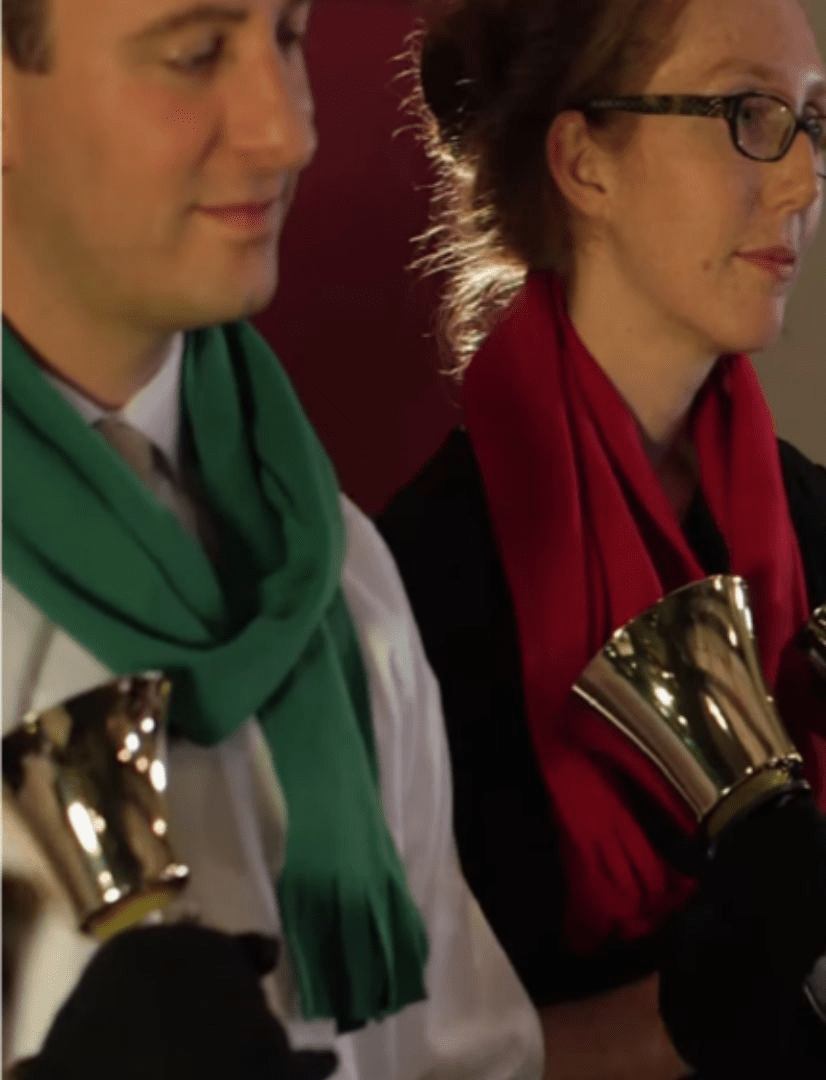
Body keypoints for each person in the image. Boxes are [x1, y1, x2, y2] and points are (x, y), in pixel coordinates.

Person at [378, 1, 826, 1076]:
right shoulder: (426, 570)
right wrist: (685, 1015)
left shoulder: (799, 511)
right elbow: (404, 1058)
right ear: (584, 162)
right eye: (749, 114)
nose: (803, 183)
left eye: (814, 123)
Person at [0, 0, 543, 1077]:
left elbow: (455, 1060)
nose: (288, 130)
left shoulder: (336, 571)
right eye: (197, 51)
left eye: (287, 37)